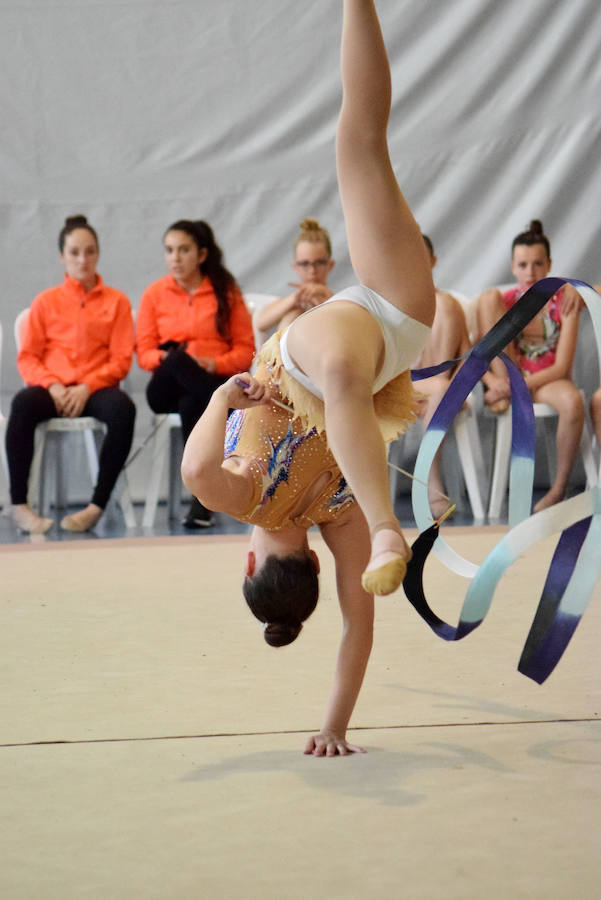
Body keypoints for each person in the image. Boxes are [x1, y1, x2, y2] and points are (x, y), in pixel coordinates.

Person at [182, 0, 435, 755]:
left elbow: (359, 626)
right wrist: (224, 395)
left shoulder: (333, 522)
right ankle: (394, 519)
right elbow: (196, 469)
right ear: (251, 559)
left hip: (397, 328)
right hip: (329, 351)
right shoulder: (248, 499)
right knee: (357, 143)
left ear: (315, 571)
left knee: (363, 144)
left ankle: (394, 520)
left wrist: (334, 729)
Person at [6, 214, 136, 534]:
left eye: (90, 251)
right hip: (53, 389)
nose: (83, 259)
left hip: (96, 389)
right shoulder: (46, 301)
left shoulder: (117, 302)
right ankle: (19, 505)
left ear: (98, 254)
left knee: (123, 409)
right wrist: (51, 385)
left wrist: (87, 386)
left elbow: (121, 360)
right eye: (75, 252)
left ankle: (96, 505)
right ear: (62, 256)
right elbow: (28, 357)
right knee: (22, 404)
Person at [136, 219, 255, 528]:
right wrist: (177, 358)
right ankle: (233, 415)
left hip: (207, 384)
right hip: (164, 388)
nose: (175, 258)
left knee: (194, 403)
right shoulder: (154, 294)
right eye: (170, 250)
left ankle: (201, 503)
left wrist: (212, 364)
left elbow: (245, 352)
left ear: (202, 255)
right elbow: (144, 353)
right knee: (177, 361)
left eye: (183, 250)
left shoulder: (225, 293)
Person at [476, 220, 584, 512]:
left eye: (537, 264)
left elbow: (562, 367)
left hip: (547, 379)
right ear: (512, 266)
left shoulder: (564, 301)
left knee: (574, 402)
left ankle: (558, 489)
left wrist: (512, 388)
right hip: (511, 373)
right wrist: (491, 382)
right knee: (486, 299)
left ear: (549, 265)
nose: (530, 272)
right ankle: (507, 388)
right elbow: (477, 353)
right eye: (522, 265)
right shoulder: (503, 301)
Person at [413, 234, 471, 518]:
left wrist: (459, 389)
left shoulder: (447, 304)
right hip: (400, 383)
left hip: (437, 387)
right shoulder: (392, 303)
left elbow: (466, 356)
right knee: (439, 388)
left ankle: (428, 478)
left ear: (433, 261)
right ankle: (430, 480)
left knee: (441, 388)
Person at [254, 218, 335, 339]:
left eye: (319, 263)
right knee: (292, 316)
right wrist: (296, 298)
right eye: (304, 264)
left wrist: (326, 298)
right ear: (295, 267)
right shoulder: (294, 302)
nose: (312, 271)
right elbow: (260, 323)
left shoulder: (339, 301)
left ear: (330, 265)